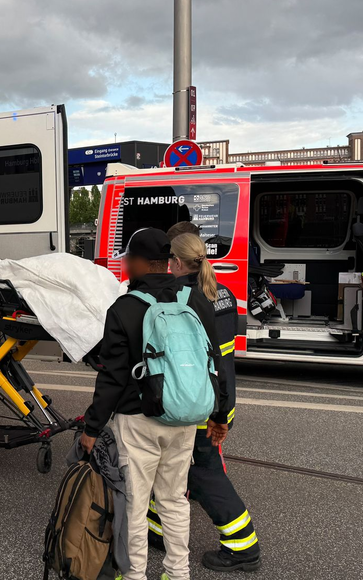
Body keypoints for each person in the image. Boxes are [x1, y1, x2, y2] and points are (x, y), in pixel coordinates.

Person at [80, 228, 230, 580]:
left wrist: (91, 427)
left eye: (127, 259)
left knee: (134, 503)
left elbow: (112, 377)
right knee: (174, 499)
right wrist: (219, 415)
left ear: (140, 263)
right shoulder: (195, 300)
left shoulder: (124, 307)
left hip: (138, 420)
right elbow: (214, 363)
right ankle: (178, 573)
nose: (124, 266)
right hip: (183, 418)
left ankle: (134, 575)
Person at [145, 222, 261, 572]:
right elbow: (221, 358)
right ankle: (158, 529)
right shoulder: (222, 291)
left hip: (193, 403)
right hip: (217, 397)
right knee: (169, 467)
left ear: (177, 263)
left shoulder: (179, 297)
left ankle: (243, 547)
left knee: (201, 472)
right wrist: (223, 411)